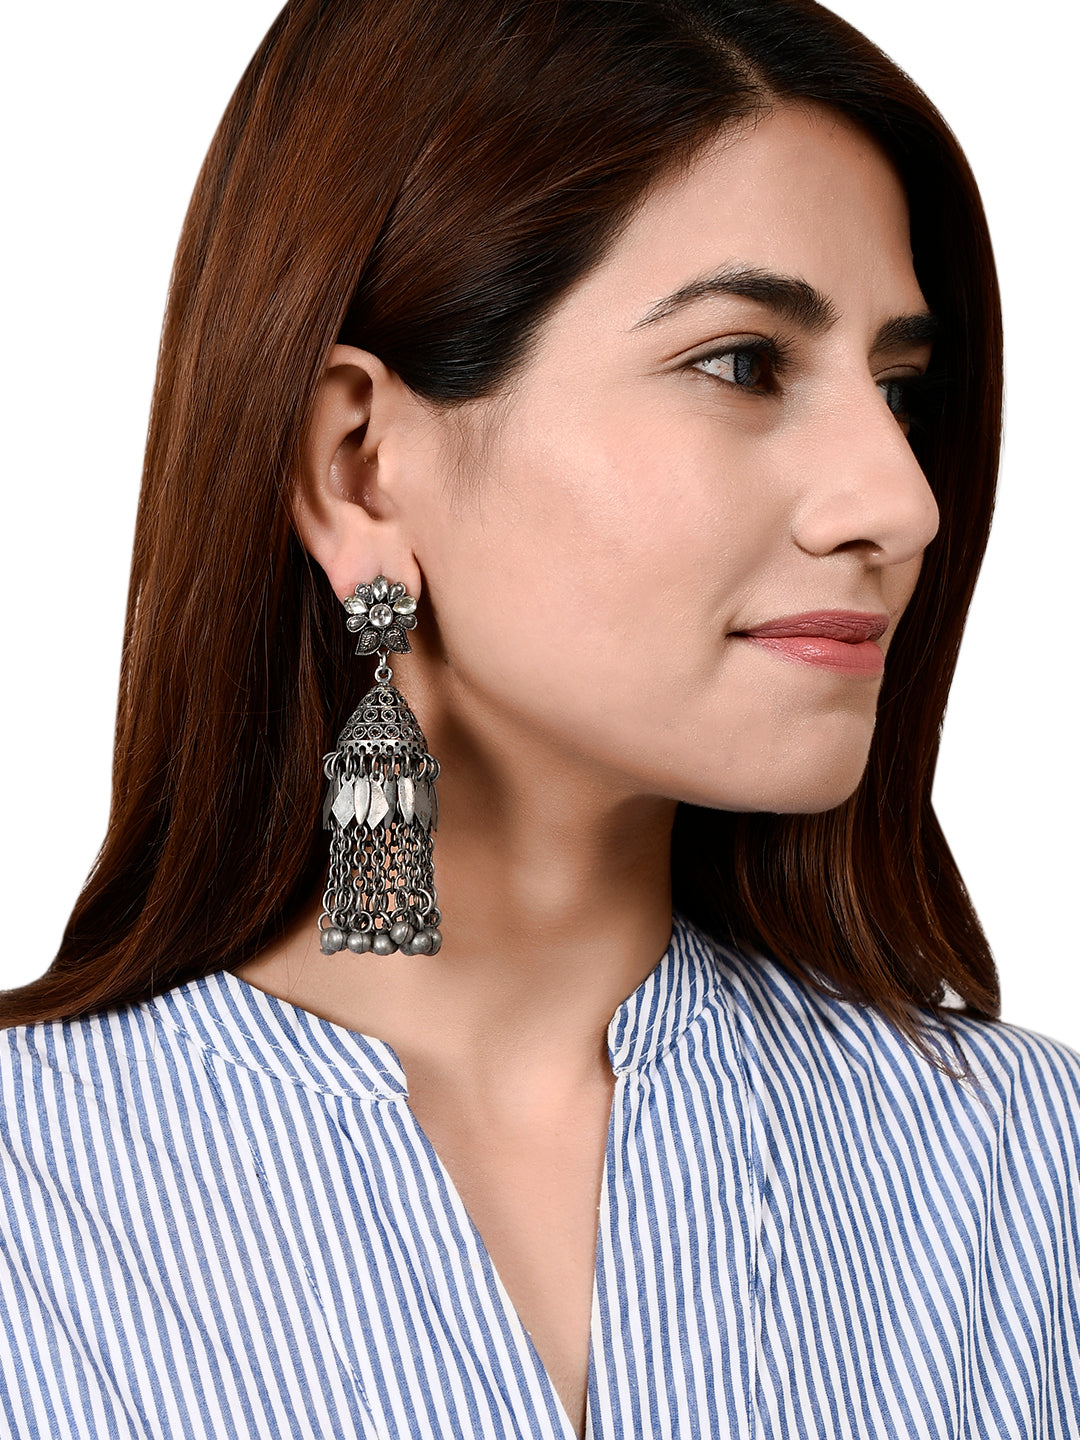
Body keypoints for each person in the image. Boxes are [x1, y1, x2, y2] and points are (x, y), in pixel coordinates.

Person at [1, 0, 1077, 1436]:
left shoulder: (1020, 1174)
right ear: (360, 465)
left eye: (899, 389)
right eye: (742, 362)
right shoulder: (28, 1198)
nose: (904, 500)